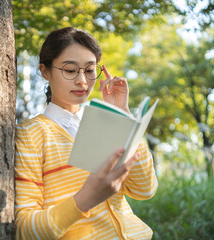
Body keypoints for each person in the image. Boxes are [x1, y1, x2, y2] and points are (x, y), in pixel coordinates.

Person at [15, 27, 158, 240]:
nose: (83, 81)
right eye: (71, 71)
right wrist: (84, 199)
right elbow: (24, 229)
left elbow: (145, 190)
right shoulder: (31, 135)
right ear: (45, 71)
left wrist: (123, 117)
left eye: (90, 70)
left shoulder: (105, 124)